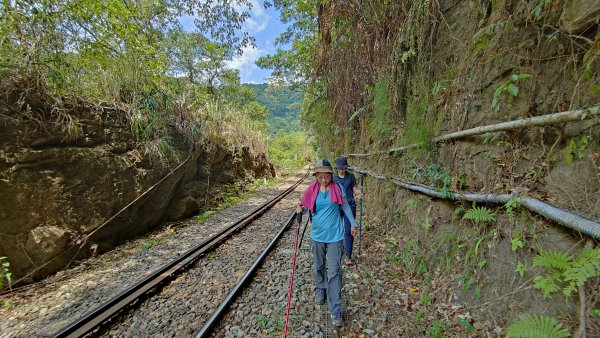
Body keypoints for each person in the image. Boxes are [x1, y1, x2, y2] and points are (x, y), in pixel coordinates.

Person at [296, 159, 358, 326]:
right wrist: (299, 207)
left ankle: (335, 307)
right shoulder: (312, 189)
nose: (323, 179)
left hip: (335, 237)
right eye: (320, 176)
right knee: (318, 266)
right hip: (317, 236)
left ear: (331, 175)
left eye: (326, 176)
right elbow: (304, 202)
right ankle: (321, 287)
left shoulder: (337, 188)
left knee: (335, 271)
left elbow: (345, 206)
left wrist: (352, 223)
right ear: (316, 176)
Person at [333, 156, 361, 266]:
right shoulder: (333, 178)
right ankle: (336, 251)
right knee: (337, 229)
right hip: (336, 206)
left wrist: (359, 192)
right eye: (340, 168)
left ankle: (348, 255)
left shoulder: (351, 176)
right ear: (337, 168)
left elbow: (354, 188)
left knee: (349, 230)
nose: (341, 170)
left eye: (343, 168)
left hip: (350, 204)